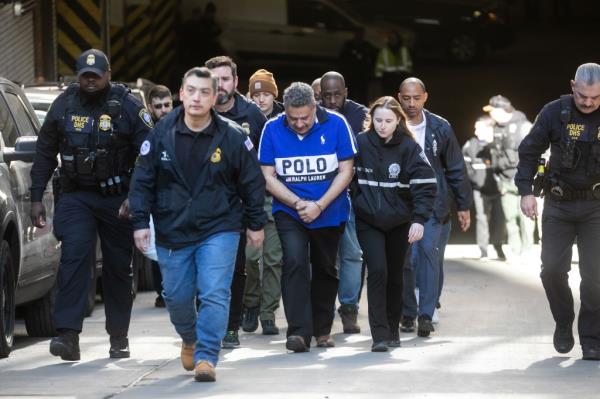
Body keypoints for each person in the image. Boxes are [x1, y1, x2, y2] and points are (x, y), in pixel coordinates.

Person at [129, 67, 267, 381]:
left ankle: (206, 355)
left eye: (204, 92)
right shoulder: (161, 133)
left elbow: (252, 183)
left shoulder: (232, 135)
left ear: (214, 96)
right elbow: (142, 181)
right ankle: (190, 338)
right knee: (177, 297)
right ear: (181, 93)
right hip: (172, 229)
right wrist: (140, 222)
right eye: (191, 90)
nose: (197, 97)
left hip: (220, 226)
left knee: (215, 292)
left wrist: (255, 223)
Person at [29, 49, 152, 361]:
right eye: (85, 75)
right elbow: (44, 152)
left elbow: (149, 153)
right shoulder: (64, 105)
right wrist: (35, 197)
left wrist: (136, 196)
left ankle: (118, 337)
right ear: (78, 76)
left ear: (108, 75)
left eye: (96, 75)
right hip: (76, 195)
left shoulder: (127, 105)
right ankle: (67, 336)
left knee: (117, 269)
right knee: (74, 258)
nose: (91, 80)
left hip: (117, 199)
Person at [258, 82, 357, 352]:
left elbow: (346, 171)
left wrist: (320, 205)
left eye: (305, 117)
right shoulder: (272, 128)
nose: (300, 123)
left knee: (325, 267)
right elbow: (268, 176)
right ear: (285, 111)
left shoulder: (337, 124)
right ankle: (299, 332)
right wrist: (299, 202)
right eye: (293, 118)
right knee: (294, 262)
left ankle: (322, 329)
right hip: (290, 210)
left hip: (330, 210)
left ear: (315, 107)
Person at [516, 62, 600, 361]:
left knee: (596, 276)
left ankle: (592, 337)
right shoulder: (554, 111)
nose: (588, 103)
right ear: (573, 86)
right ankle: (564, 321)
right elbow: (529, 151)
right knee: (552, 270)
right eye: (583, 97)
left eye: (595, 98)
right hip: (560, 203)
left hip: (596, 206)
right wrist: (526, 191)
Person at [353, 96, 436, 351]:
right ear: (371, 120)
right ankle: (379, 335)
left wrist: (419, 220)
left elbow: (426, 186)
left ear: (398, 120)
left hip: (400, 222)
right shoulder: (361, 143)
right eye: (378, 120)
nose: (382, 125)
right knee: (377, 271)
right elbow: (345, 173)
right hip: (369, 220)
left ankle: (392, 329)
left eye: (388, 121)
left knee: (395, 276)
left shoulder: (409, 148)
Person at [398, 77, 471, 337]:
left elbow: (455, 167)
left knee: (428, 254)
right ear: (399, 97)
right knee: (405, 260)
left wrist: (463, 205)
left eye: (416, 98)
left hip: (432, 203)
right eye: (406, 98)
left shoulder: (440, 127)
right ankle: (408, 311)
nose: (411, 103)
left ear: (425, 97)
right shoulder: (390, 124)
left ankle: (425, 313)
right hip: (399, 203)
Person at [205, 56, 267, 348]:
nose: (220, 86)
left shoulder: (252, 115)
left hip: (238, 206)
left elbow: (265, 165)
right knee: (202, 270)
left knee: (235, 269)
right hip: (201, 206)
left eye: (225, 79)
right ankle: (205, 327)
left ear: (235, 81)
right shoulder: (195, 110)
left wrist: (256, 216)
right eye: (214, 80)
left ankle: (231, 328)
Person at [320, 71, 367, 333]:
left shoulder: (362, 116)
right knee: (322, 258)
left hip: (352, 195)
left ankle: (349, 309)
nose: (333, 100)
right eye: (327, 95)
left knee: (352, 255)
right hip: (318, 197)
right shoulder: (312, 116)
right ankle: (320, 311)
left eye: (337, 94)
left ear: (346, 91)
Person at [242, 69, 284, 335]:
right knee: (249, 258)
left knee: (273, 258)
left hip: (277, 197)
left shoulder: (285, 119)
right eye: (256, 94)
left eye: (266, 93)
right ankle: (250, 305)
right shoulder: (244, 117)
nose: (260, 99)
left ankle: (268, 312)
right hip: (250, 198)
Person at [485, 95, 535, 261]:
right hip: (505, 181)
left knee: (526, 218)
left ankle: (527, 250)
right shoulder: (496, 128)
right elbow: (494, 155)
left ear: (501, 110)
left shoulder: (524, 126)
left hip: (523, 180)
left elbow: (534, 153)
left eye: (492, 111)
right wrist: (499, 181)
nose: (491, 114)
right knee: (510, 217)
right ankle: (515, 251)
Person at [462, 115, 507, 261]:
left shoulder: (499, 144)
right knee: (481, 218)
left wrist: (504, 184)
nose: (475, 130)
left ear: (489, 128)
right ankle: (484, 250)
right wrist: (475, 181)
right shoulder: (471, 145)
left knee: (500, 220)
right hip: (479, 190)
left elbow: (507, 165)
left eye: (478, 127)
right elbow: (465, 166)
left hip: (499, 191)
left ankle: (498, 246)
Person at [146, 84, 174, 308]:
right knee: (158, 248)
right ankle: (162, 290)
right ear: (150, 107)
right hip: (155, 198)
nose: (163, 110)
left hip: (179, 197)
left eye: (167, 105)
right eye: (158, 106)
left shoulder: (183, 126)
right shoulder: (145, 132)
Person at [338, 28, 377, 105]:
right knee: (350, 94)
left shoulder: (367, 45)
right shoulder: (349, 44)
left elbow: (373, 58)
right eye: (358, 33)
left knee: (362, 95)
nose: (359, 35)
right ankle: (347, 109)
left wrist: (370, 70)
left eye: (361, 34)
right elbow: (342, 58)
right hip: (350, 74)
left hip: (362, 74)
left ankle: (363, 112)